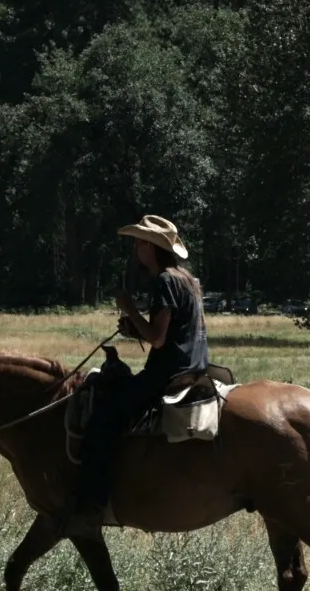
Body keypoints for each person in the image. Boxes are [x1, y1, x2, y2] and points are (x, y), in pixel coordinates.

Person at [74, 214, 209, 513]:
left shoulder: (164, 281)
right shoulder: (187, 280)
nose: (135, 249)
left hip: (168, 374)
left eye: (139, 242)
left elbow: (158, 340)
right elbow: (173, 332)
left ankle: (92, 503)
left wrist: (129, 308)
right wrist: (135, 328)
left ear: (151, 246)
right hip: (196, 367)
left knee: (104, 415)